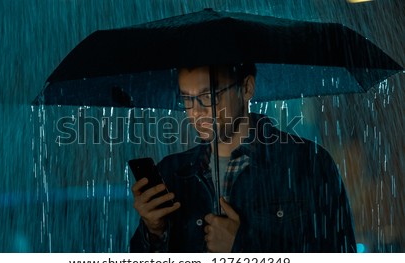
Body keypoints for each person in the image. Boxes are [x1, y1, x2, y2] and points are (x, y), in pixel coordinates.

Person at [130, 64, 356, 252]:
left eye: (208, 97)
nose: (196, 112)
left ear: (246, 88)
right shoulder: (172, 172)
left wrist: (242, 248)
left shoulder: (307, 164)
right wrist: (154, 231)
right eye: (187, 99)